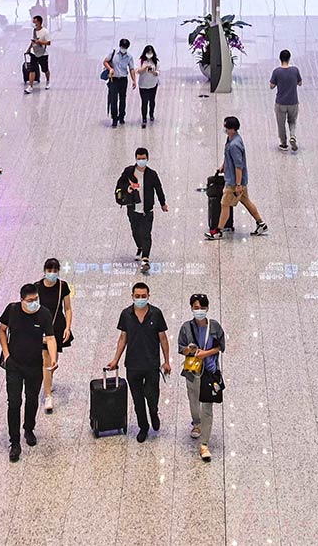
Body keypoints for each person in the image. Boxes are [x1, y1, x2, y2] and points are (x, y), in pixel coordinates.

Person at [107, 280, 172, 441]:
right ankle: (143, 427)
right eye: (137, 296)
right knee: (137, 400)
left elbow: (163, 339)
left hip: (151, 365)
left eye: (143, 296)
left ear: (149, 296)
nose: (140, 299)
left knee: (152, 396)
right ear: (132, 296)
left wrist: (166, 361)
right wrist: (115, 360)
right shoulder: (126, 314)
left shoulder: (156, 314)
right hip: (133, 365)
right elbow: (123, 338)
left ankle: (154, 412)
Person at [0, 281, 56, 461]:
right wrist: (6, 354)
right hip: (14, 364)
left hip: (34, 365)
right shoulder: (12, 310)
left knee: (32, 399)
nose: (34, 303)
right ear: (22, 300)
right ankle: (14, 442)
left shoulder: (44, 314)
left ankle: (29, 428)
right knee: (14, 402)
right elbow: (2, 330)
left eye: (36, 299)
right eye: (30, 300)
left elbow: (51, 338)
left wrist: (53, 358)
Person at [177, 293, 225, 462]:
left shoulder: (214, 326)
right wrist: (189, 350)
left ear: (207, 308)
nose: (199, 311)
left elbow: (221, 346)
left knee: (207, 407)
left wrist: (206, 353)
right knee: (193, 400)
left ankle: (204, 443)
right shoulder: (186, 327)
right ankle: (196, 423)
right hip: (193, 371)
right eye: (196, 308)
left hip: (210, 372)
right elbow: (181, 348)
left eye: (202, 308)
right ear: (191, 308)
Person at [207, 116, 266, 239]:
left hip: (234, 182)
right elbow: (228, 156)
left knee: (224, 204)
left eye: (226, 127)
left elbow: (239, 166)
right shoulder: (231, 138)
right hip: (238, 180)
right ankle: (261, 223)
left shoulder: (235, 145)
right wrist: (224, 166)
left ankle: (218, 231)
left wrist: (238, 185)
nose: (225, 129)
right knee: (246, 201)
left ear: (232, 129)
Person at [117, 146, 168, 271]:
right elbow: (120, 184)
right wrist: (128, 189)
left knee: (146, 234)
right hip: (133, 209)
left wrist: (163, 203)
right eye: (139, 159)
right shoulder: (129, 172)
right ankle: (140, 247)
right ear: (136, 158)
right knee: (135, 232)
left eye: (143, 158)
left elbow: (158, 189)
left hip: (147, 210)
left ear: (147, 158)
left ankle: (145, 259)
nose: (141, 161)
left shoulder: (152, 174)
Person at [36, 258, 75, 415]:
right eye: (49, 270)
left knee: (54, 360)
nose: (52, 273)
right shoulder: (37, 287)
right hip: (42, 327)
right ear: (44, 271)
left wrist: (68, 327)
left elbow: (68, 308)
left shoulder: (62, 286)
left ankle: (48, 381)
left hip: (57, 325)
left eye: (55, 271)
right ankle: (48, 396)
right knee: (47, 359)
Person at [268, 49, 302, 152]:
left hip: (281, 102)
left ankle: (283, 143)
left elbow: (271, 86)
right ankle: (293, 136)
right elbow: (300, 83)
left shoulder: (276, 71)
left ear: (280, 58)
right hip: (293, 101)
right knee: (292, 121)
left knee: (281, 124)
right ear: (289, 58)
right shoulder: (295, 70)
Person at [104, 37, 134, 127]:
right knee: (113, 99)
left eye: (125, 47)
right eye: (122, 47)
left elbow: (131, 69)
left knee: (123, 98)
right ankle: (114, 118)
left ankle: (121, 116)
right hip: (114, 79)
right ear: (120, 46)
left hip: (123, 79)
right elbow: (105, 61)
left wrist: (134, 80)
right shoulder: (113, 53)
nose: (123, 49)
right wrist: (110, 69)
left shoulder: (129, 57)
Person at [136, 44, 162, 127]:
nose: (149, 54)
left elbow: (158, 72)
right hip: (143, 85)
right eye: (148, 53)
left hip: (153, 84)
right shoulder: (141, 61)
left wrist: (154, 72)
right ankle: (144, 118)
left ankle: (151, 114)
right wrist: (145, 68)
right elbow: (137, 71)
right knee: (144, 102)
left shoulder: (156, 61)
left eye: (151, 53)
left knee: (152, 100)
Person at [26, 15, 53, 87]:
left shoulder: (45, 32)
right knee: (32, 70)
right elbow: (33, 41)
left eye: (35, 22)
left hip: (42, 54)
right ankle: (30, 86)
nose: (34, 24)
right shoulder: (34, 31)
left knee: (45, 69)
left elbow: (48, 42)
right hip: (34, 53)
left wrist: (39, 42)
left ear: (39, 22)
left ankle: (48, 81)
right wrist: (29, 49)